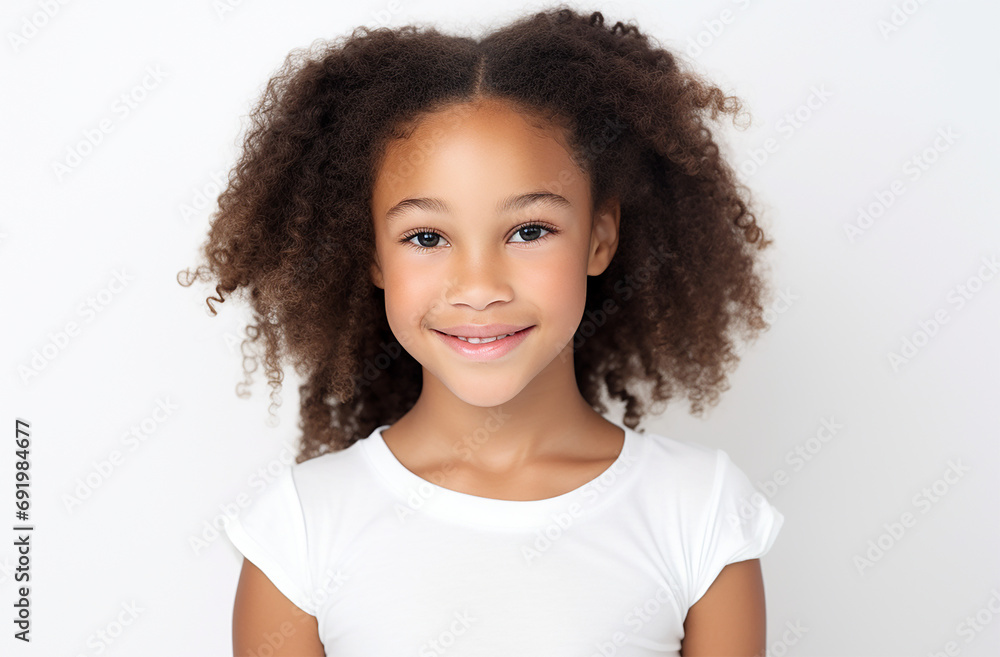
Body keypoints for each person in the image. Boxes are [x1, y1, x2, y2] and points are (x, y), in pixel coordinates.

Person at [178, 6, 785, 655]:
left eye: (529, 231)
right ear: (374, 254)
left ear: (600, 236)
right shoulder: (299, 532)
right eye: (427, 237)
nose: (478, 285)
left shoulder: (701, 513)